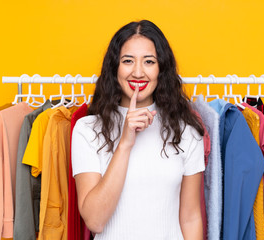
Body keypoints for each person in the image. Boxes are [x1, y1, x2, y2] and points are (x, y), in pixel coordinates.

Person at [72, 19, 205, 240]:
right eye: (127, 61)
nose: (138, 72)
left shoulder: (185, 130)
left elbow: (191, 218)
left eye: (149, 61)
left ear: (161, 68)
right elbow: (95, 220)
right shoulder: (87, 130)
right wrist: (125, 143)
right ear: (115, 67)